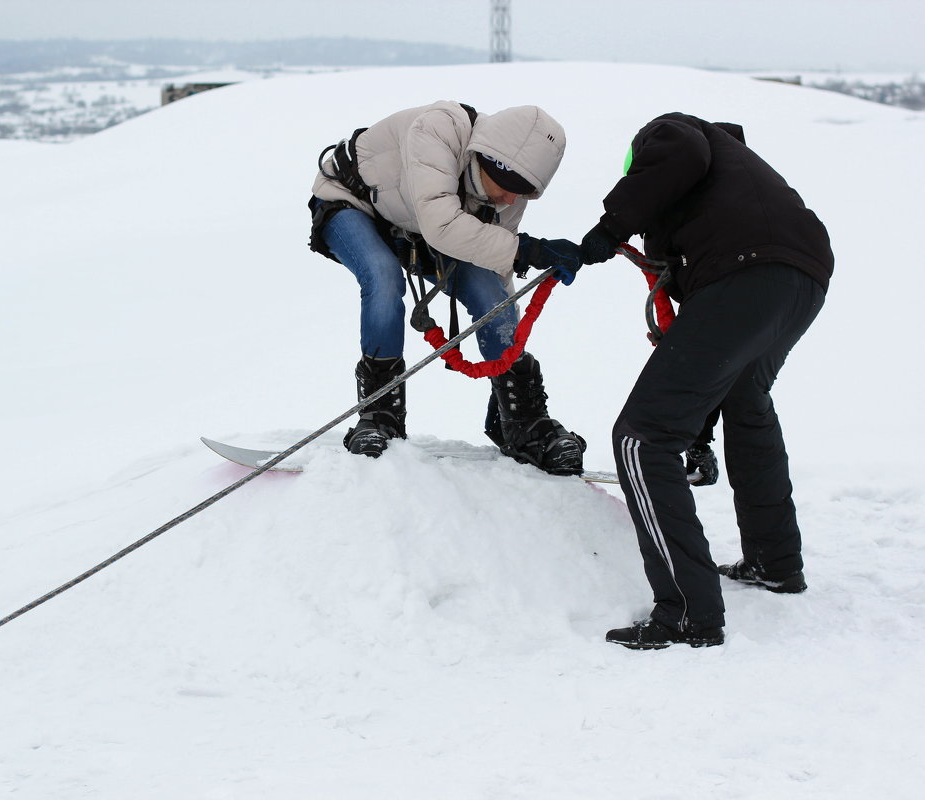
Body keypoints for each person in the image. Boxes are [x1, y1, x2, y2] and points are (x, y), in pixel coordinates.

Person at [578, 112, 833, 649]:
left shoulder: (674, 132)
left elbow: (677, 157)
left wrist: (611, 226)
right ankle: (775, 561)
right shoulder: (735, 183)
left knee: (642, 439)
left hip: (746, 275)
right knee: (747, 399)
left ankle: (688, 611)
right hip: (801, 279)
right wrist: (699, 430)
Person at [308, 101, 586, 475]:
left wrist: (503, 366)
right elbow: (443, 225)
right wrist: (528, 251)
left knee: (490, 295)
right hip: (352, 202)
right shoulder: (438, 129)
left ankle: (525, 424)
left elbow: (496, 265)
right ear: (488, 159)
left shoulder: (507, 194)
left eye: (526, 192)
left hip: (418, 225)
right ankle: (379, 416)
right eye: (509, 186)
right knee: (383, 276)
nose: (511, 200)